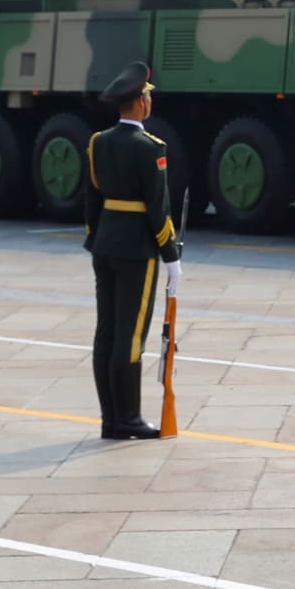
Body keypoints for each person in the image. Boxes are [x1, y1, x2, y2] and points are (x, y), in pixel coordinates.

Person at [85, 61, 182, 440]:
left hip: (105, 245)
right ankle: (128, 418)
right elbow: (158, 210)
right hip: (136, 250)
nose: (150, 101)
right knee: (131, 335)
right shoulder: (150, 148)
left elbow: (91, 201)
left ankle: (111, 418)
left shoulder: (98, 142)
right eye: (148, 95)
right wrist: (171, 256)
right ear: (140, 103)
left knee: (106, 331)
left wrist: (95, 238)